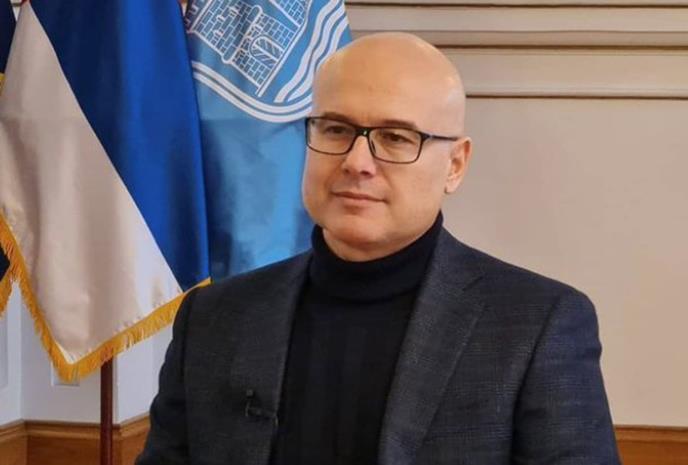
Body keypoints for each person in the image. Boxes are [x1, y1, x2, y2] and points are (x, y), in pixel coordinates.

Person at [136, 32, 621, 465]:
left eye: (395, 137)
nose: (357, 161)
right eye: (335, 129)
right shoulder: (214, 317)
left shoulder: (538, 324)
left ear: (455, 165)